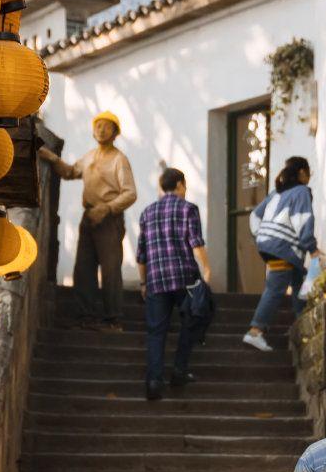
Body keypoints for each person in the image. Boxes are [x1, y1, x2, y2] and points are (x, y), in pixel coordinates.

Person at [40, 113, 137, 330]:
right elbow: (71, 172)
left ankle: (113, 319)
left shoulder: (119, 159)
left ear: (115, 133)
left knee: (111, 270)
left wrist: (108, 208)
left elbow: (130, 193)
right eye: (98, 126)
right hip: (89, 217)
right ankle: (87, 317)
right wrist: (53, 159)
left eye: (106, 127)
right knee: (83, 269)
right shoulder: (90, 156)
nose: (101, 130)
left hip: (109, 219)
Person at [136, 165, 212, 402]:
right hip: (184, 278)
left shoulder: (147, 212)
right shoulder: (188, 208)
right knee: (194, 318)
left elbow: (142, 254)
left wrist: (143, 282)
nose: (185, 190)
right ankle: (179, 370)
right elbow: (196, 243)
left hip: (156, 280)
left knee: (155, 331)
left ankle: (154, 382)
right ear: (179, 184)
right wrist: (207, 270)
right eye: (185, 186)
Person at [243, 155, 322, 351]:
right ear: (302, 173)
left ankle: (300, 328)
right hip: (283, 248)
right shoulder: (302, 191)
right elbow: (302, 220)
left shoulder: (276, 193)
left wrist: (261, 236)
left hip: (269, 245)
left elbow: (255, 216)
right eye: (309, 173)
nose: (309, 177)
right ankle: (255, 331)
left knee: (299, 280)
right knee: (276, 287)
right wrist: (312, 248)